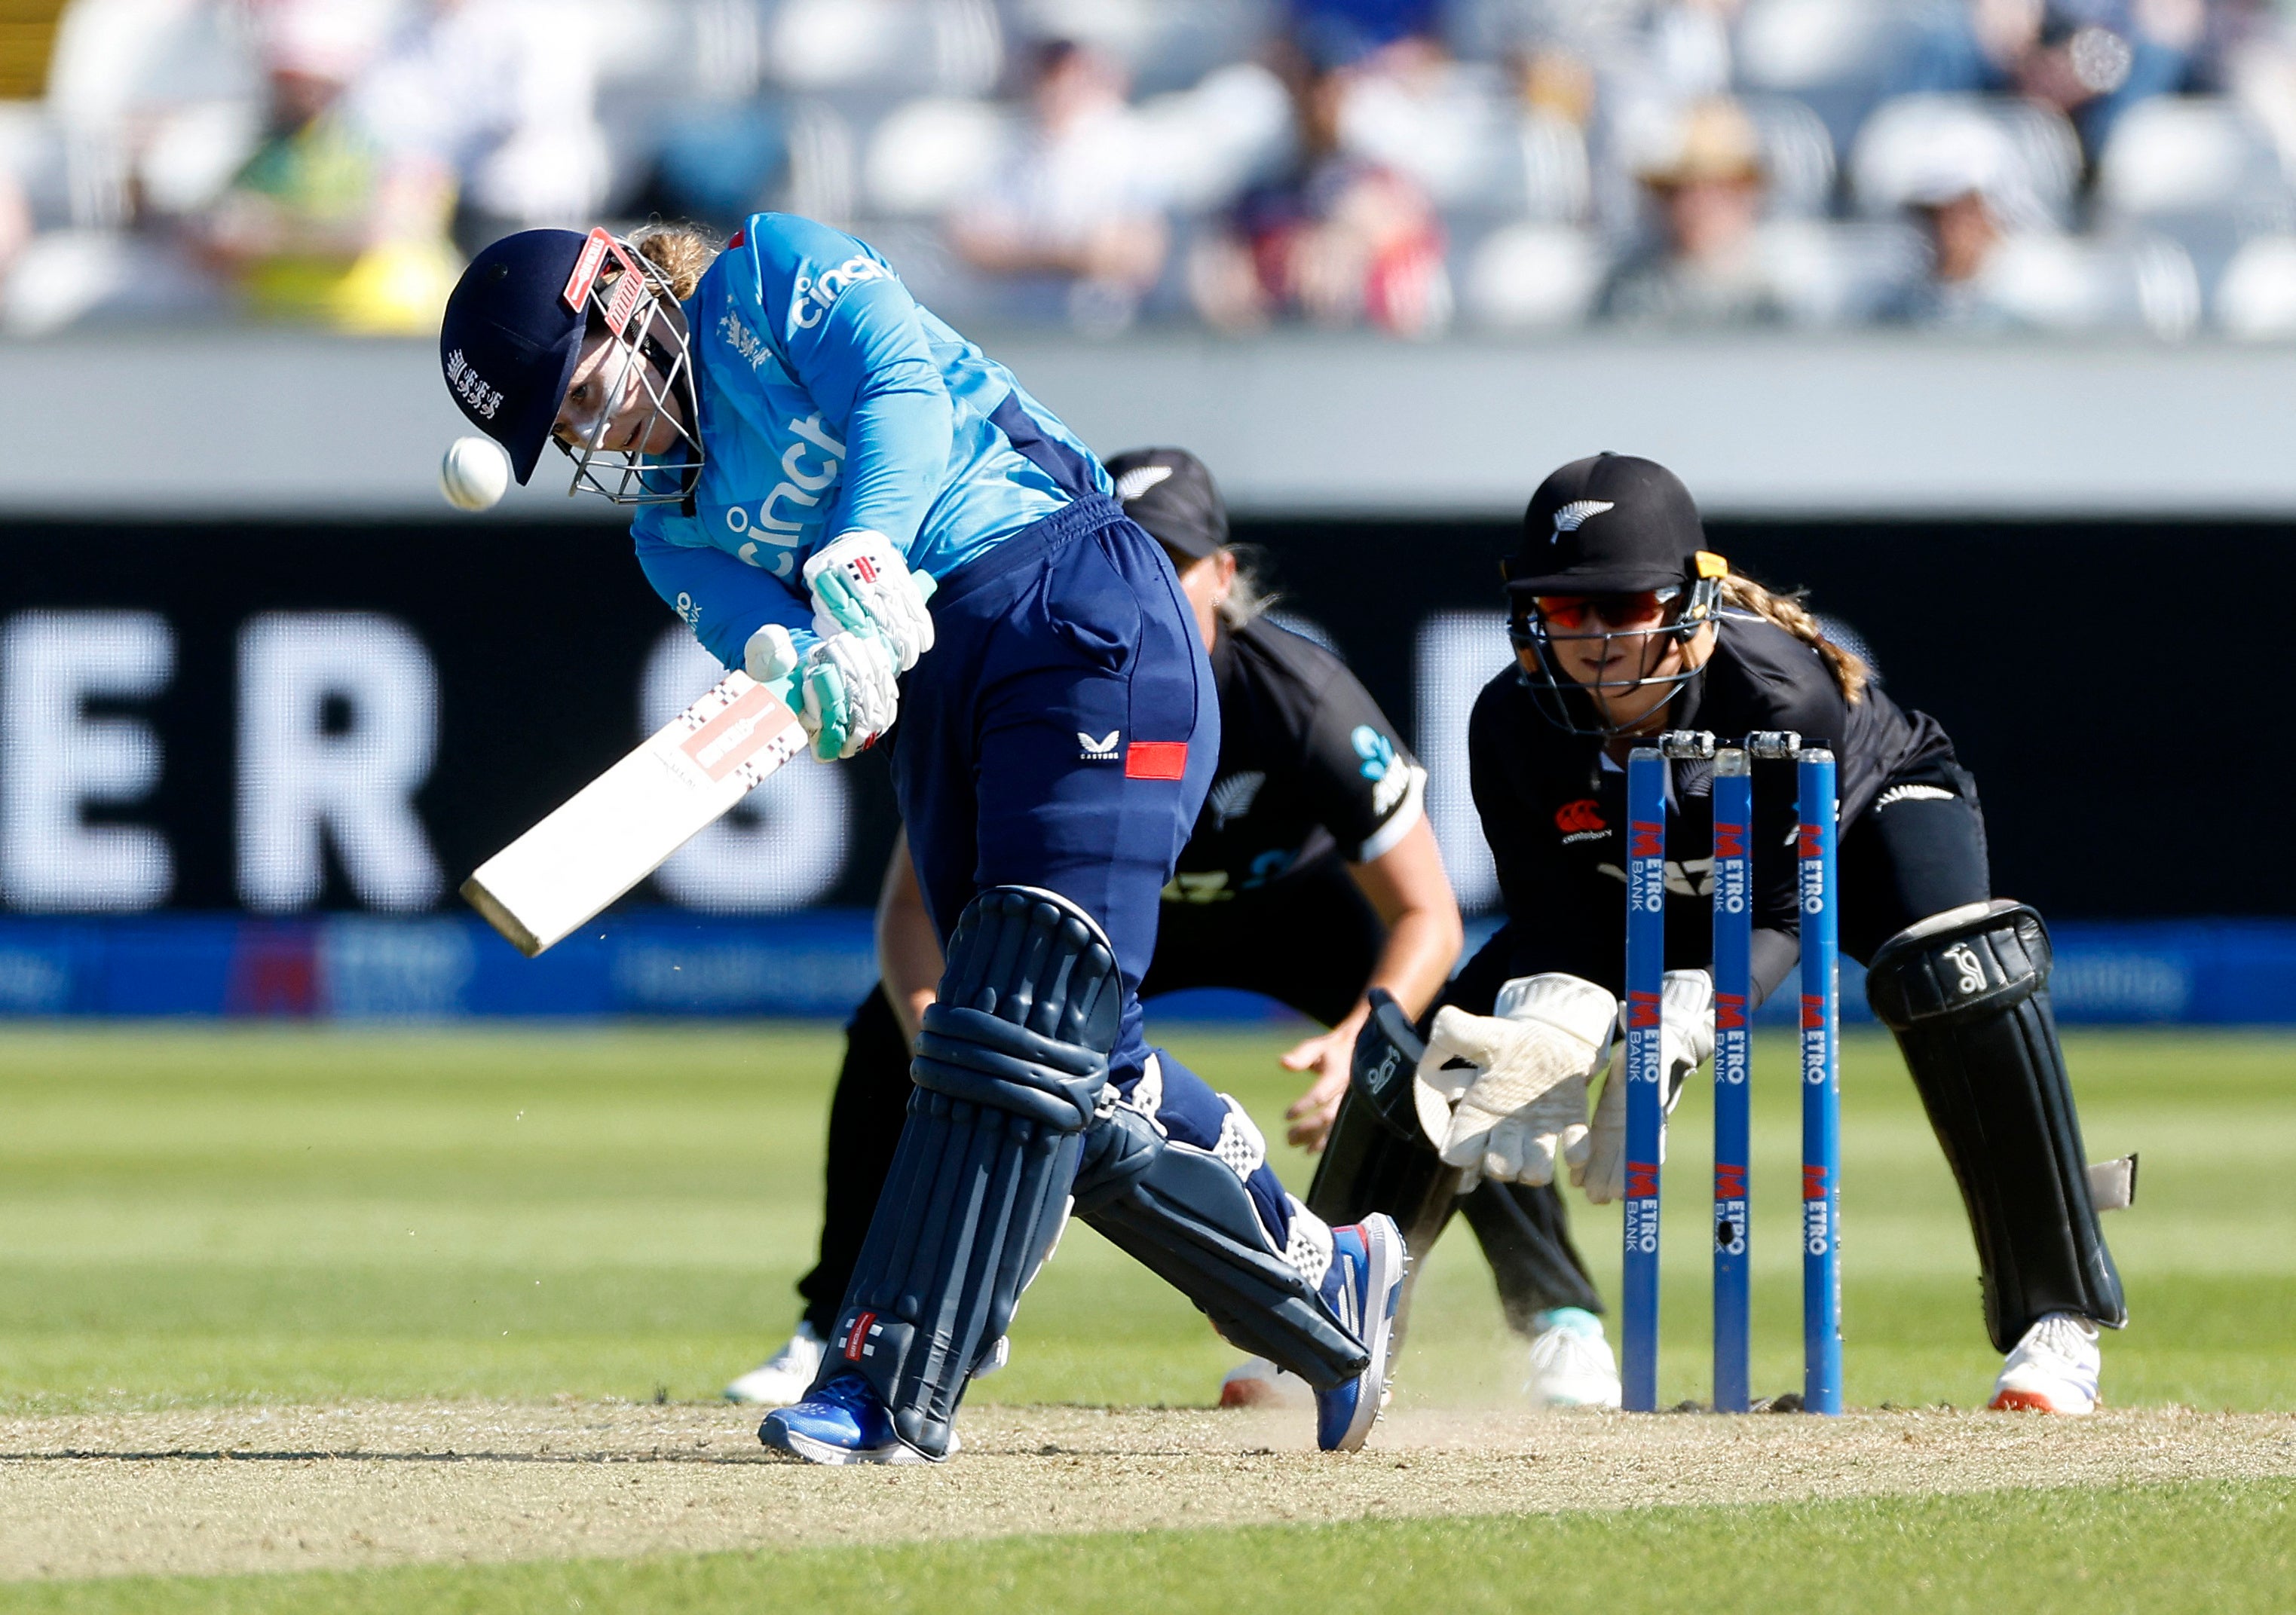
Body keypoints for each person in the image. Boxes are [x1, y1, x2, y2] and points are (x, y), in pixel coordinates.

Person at [435, 216, 1405, 1464]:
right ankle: (1331, 1288)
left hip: (1074, 600)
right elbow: (768, 649)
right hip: (947, 700)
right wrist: (814, 677)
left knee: (1013, 1022)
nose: (591, 433)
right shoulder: (668, 529)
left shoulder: (770, 272)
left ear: (622, 296)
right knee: (1070, 1070)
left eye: (580, 391)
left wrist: (866, 542)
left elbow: (897, 386)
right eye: (560, 431)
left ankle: (886, 1385)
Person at [726, 448, 1641, 1412]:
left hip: (1288, 913)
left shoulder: (1301, 697)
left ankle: (1558, 1320)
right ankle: (834, 1325)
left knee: (1450, 1040)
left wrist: (1360, 1040)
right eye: (1124, 555)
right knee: (891, 1032)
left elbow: (1427, 911)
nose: (1145, 586)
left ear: (1225, 576)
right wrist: (937, 1041)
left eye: (1173, 562)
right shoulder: (1032, 678)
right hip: (1098, 926)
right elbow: (914, 911)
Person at [1322, 451, 2128, 1415]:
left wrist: (1674, 1032)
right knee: (1445, 1046)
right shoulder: (1509, 720)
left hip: (1863, 824)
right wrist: (1554, 1022)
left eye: (1621, 606)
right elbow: (1554, 918)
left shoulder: (1782, 697)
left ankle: (2057, 1320)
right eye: (1566, 610)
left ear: (1689, 599)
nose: (1595, 640)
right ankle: (1321, 1317)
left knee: (1958, 968)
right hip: (1654, 868)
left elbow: (1787, 914)